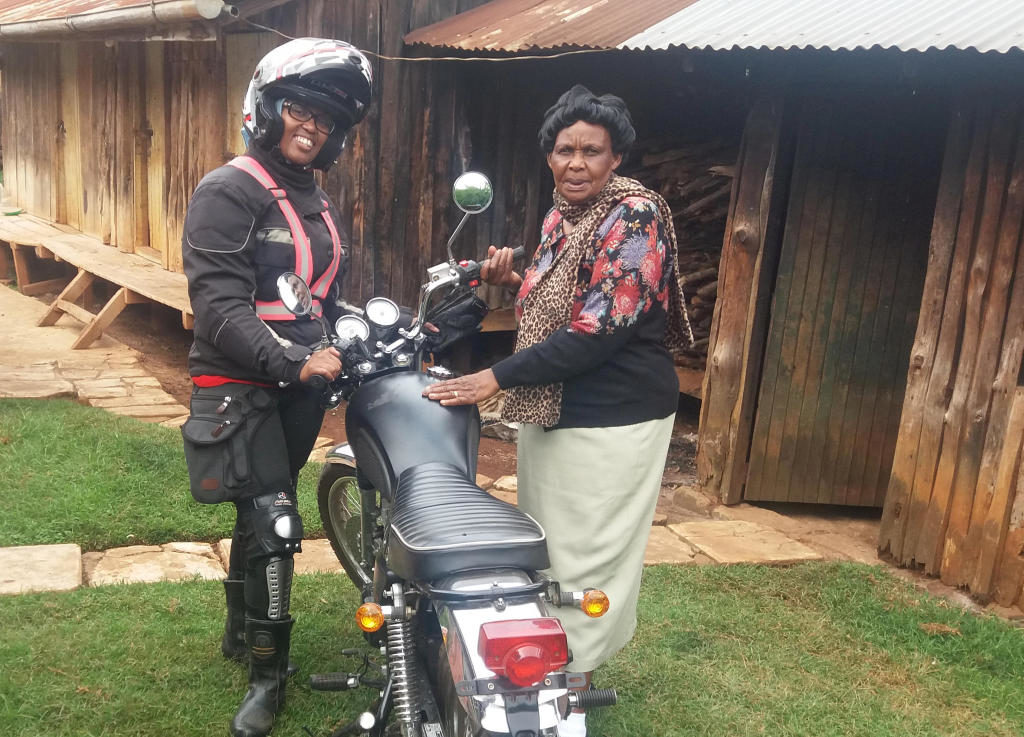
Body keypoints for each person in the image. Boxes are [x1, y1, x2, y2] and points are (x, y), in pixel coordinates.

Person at [423, 84, 692, 737]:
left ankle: (569, 691)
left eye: (591, 151)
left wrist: (493, 375)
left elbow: (600, 328)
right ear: (548, 156)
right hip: (557, 409)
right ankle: (542, 669)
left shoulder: (633, 218)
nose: (576, 162)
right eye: (564, 149)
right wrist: (513, 284)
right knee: (547, 549)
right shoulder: (560, 217)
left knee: (589, 557)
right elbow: (561, 304)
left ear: (616, 155)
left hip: (615, 416)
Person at [179, 38, 372, 737]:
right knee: (276, 522)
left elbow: (315, 297)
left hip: (298, 386)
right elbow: (220, 307)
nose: (312, 127)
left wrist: (361, 325)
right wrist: (294, 362)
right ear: (266, 106)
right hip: (243, 384)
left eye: (326, 120)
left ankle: (239, 632)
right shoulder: (228, 190)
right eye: (299, 109)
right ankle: (267, 676)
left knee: (259, 513)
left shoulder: (311, 197)